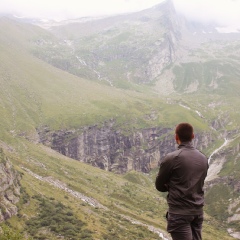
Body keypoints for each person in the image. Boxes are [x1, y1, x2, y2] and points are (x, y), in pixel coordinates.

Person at [155, 123, 208, 240]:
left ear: (176, 137)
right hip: (197, 212)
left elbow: (159, 185)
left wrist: (170, 186)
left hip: (179, 212)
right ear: (193, 136)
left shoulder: (172, 158)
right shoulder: (203, 158)